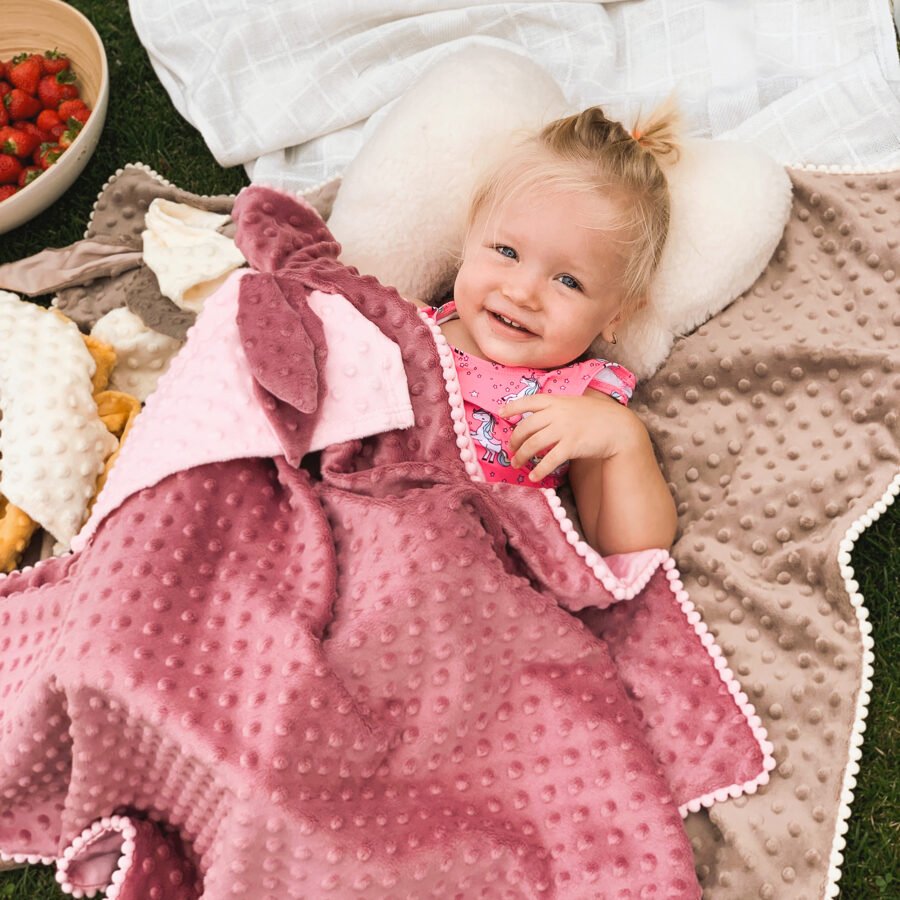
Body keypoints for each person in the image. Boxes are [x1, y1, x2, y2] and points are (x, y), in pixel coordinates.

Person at [410, 104, 680, 557]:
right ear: (468, 240)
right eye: (506, 251)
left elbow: (635, 547)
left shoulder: (578, 401)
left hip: (462, 562)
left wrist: (624, 443)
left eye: (568, 282)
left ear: (616, 316)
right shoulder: (413, 322)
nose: (522, 293)